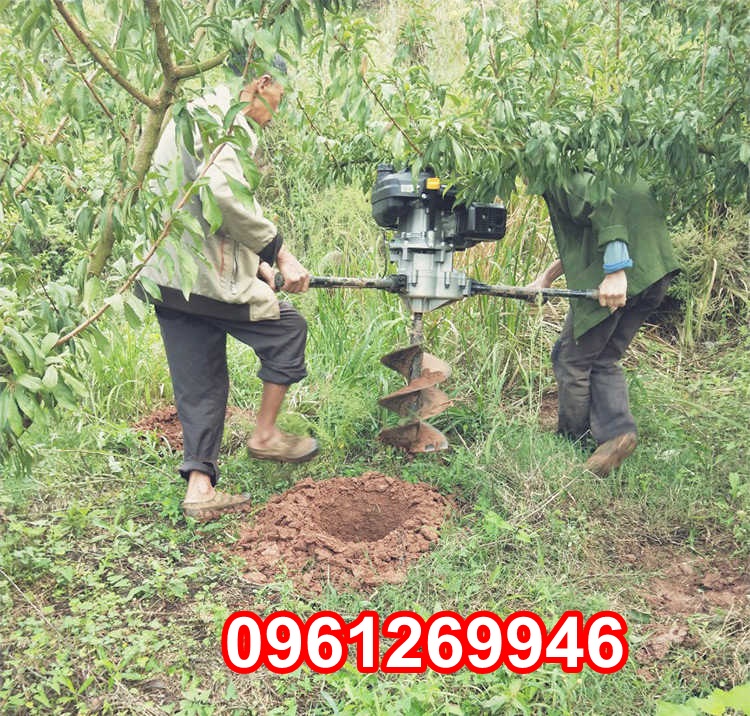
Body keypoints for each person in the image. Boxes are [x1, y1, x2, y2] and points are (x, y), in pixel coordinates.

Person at [138, 61, 318, 521]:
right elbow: (222, 196)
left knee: (200, 381)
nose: (277, 109)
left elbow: (200, 212)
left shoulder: (191, 113)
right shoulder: (226, 122)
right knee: (288, 328)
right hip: (203, 279)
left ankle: (199, 490)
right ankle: (265, 435)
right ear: (262, 83)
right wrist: (278, 253)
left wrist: (256, 266)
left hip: (168, 276)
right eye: (280, 96)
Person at [528, 172, 679, 475]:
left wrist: (615, 272)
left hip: (622, 275)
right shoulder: (606, 167)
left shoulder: (566, 177)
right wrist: (547, 277)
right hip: (653, 273)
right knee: (604, 358)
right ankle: (617, 434)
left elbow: (605, 209)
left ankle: (573, 442)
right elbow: (592, 234)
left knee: (571, 359)